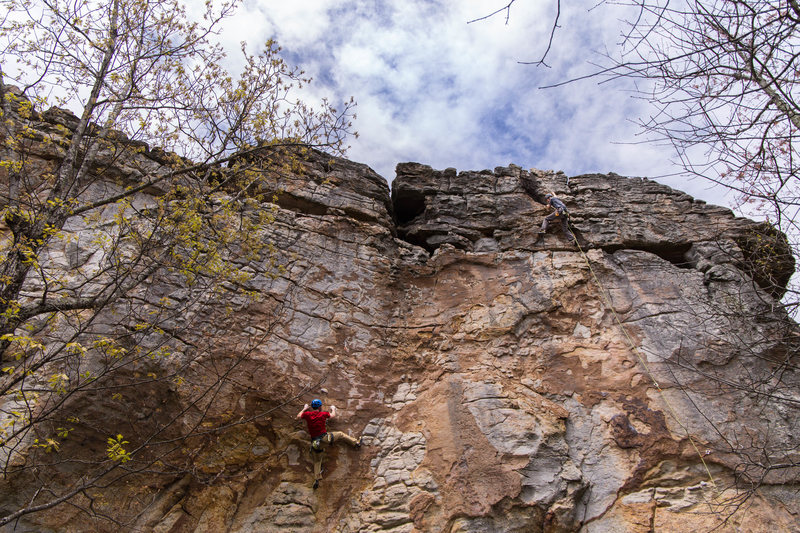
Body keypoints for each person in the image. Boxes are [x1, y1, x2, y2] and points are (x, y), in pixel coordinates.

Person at [297, 398, 362, 489]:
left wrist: (304, 408)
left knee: (317, 461)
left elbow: (299, 416)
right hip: (325, 439)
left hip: (315, 443)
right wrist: (333, 409)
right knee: (340, 434)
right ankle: (356, 443)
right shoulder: (323, 414)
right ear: (320, 407)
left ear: (312, 407)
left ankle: (317, 479)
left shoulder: (308, 415)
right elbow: (333, 415)